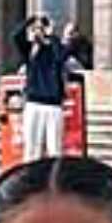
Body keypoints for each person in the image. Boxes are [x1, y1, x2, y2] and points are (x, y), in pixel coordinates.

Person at [21, 16, 77, 158]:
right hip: (33, 103)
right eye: (36, 30)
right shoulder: (29, 51)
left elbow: (61, 57)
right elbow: (16, 36)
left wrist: (51, 36)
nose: (39, 32)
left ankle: (53, 178)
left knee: (55, 149)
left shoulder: (56, 49)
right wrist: (31, 21)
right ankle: (31, 178)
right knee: (31, 148)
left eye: (41, 29)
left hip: (53, 105)